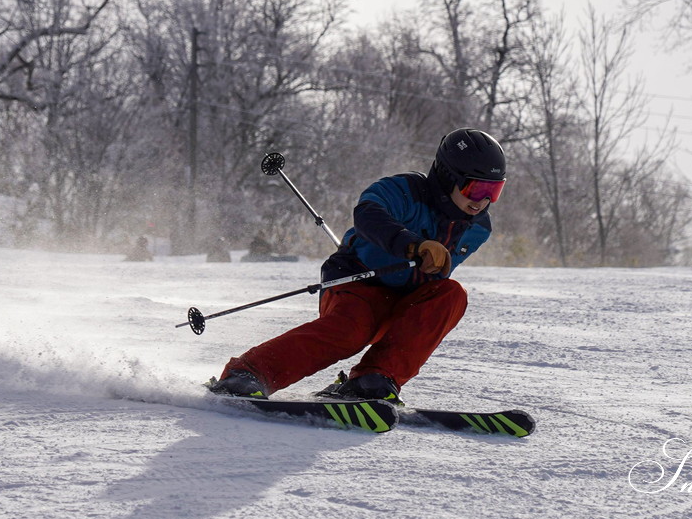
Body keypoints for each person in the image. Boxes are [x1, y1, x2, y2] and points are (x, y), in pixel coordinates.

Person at [207, 128, 506, 402]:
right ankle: (247, 373)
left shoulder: (478, 228)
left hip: (402, 300)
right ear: (447, 176)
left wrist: (433, 267)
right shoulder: (403, 190)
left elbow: (431, 294)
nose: (482, 201)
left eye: (493, 192)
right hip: (356, 281)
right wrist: (412, 245)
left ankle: (374, 380)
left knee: (452, 294)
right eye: (475, 189)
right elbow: (367, 215)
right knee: (352, 331)